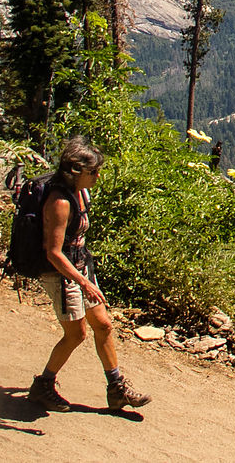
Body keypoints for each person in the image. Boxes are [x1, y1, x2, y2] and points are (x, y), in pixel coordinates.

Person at [27, 136, 152, 412]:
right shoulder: (59, 202)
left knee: (104, 325)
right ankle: (43, 385)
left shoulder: (81, 192)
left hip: (81, 267)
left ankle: (116, 388)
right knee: (76, 334)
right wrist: (83, 282)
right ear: (75, 172)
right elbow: (53, 252)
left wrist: (86, 278)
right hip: (61, 273)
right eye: (92, 171)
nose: (97, 175)